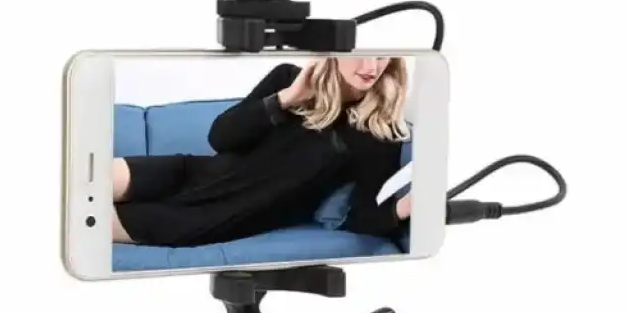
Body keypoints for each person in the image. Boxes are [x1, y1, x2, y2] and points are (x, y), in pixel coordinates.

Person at [112, 56, 411, 248]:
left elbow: (364, 214)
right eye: (361, 54)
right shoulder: (287, 78)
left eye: (382, 56)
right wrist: (287, 98)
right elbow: (221, 138)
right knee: (86, 181)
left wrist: (404, 208)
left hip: (218, 216)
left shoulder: (376, 130)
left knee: (88, 223)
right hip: (191, 173)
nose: (371, 67)